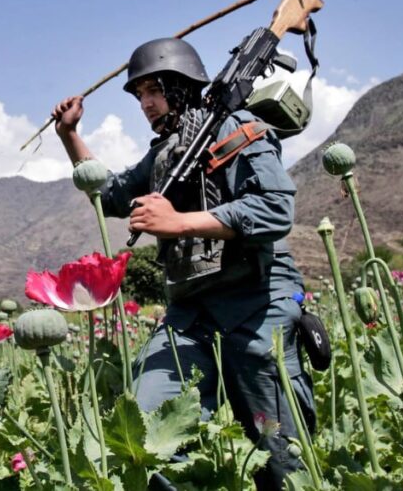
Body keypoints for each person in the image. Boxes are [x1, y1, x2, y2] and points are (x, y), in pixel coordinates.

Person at [52, 38, 315, 491]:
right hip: (189, 314)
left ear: (181, 86)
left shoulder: (240, 128)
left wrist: (179, 222)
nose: (146, 104)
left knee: (280, 454)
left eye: (154, 91)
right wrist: (69, 136)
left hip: (255, 303)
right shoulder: (167, 153)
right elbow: (112, 194)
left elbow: (275, 208)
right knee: (147, 433)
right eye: (139, 96)